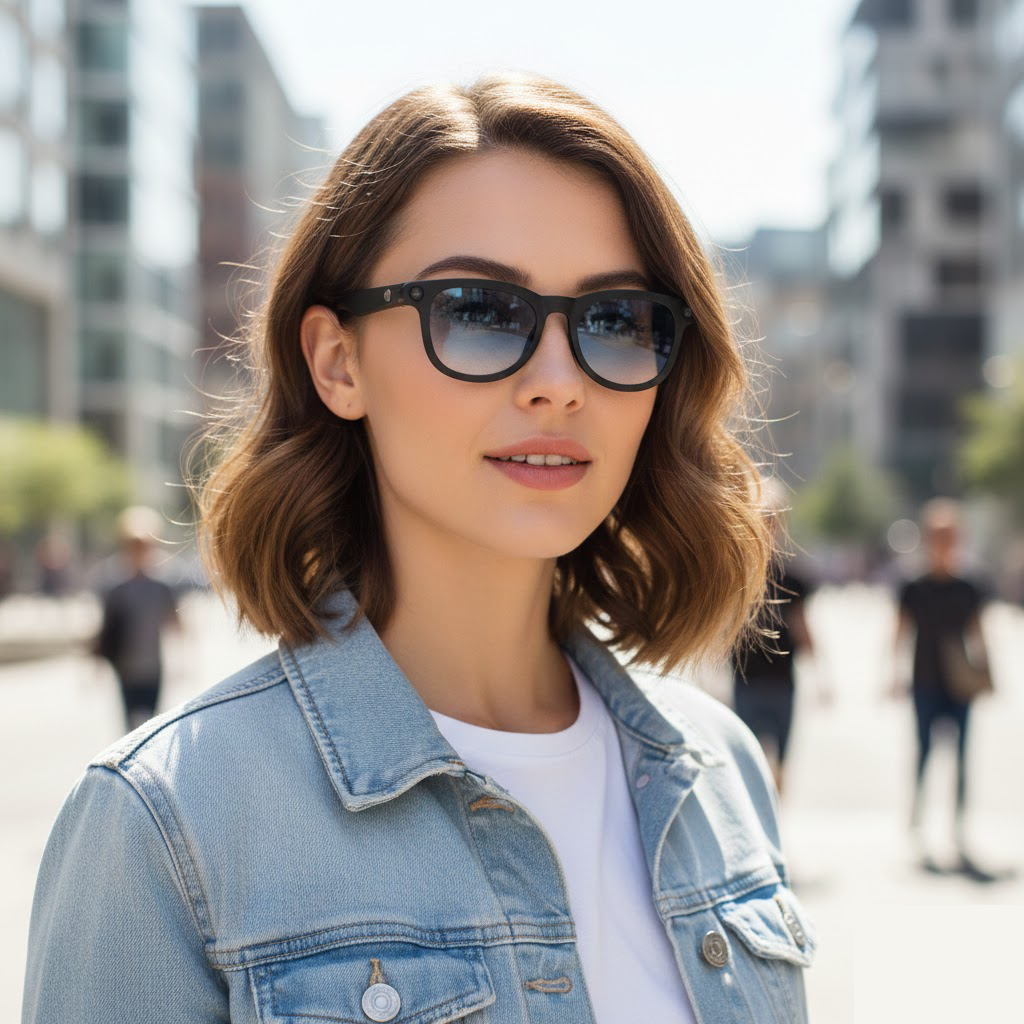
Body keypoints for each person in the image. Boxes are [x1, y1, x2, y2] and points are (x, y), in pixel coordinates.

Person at [24, 73, 816, 1023]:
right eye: (479, 311)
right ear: (338, 362)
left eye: (615, 320)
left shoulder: (720, 771)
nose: (560, 383)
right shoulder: (166, 823)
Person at [894, 497, 994, 879]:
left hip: (960, 685)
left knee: (962, 758)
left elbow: (978, 631)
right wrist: (893, 672)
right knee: (923, 754)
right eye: (938, 536)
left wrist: (987, 674)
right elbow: (900, 630)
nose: (944, 543)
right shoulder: (913, 585)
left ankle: (958, 825)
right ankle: (918, 822)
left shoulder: (970, 585)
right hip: (924, 681)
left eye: (950, 536)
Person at [731, 483, 818, 797]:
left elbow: (802, 627)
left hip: (782, 680)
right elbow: (723, 629)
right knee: (747, 759)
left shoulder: (792, 578)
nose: (766, 525)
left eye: (771, 519)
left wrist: (821, 675)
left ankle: (775, 815)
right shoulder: (735, 573)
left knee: (781, 760)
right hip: (746, 680)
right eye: (761, 517)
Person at [93, 507, 180, 730]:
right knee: (130, 725)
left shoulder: (161, 584)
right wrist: (97, 660)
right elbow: (105, 625)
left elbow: (174, 620)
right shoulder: (116, 585)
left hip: (152, 665)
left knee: (152, 723)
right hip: (125, 665)